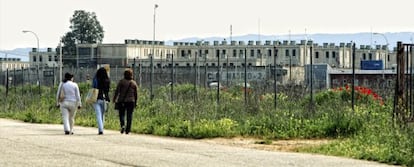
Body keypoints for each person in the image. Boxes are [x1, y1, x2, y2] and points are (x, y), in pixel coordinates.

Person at [113, 68, 138, 134]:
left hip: (122, 101)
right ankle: (128, 129)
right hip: (131, 101)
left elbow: (117, 91)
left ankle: (123, 125)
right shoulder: (133, 83)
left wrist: (114, 99)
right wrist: (136, 102)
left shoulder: (121, 82)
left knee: (122, 114)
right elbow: (136, 94)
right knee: (129, 115)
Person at [92, 67, 111, 135]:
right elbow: (108, 89)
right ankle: (101, 128)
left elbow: (93, 87)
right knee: (103, 114)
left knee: (98, 114)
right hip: (105, 99)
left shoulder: (96, 79)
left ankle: (100, 129)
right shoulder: (108, 80)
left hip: (96, 98)